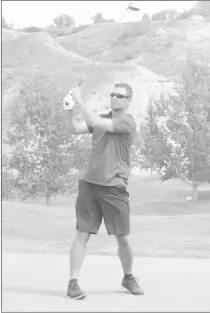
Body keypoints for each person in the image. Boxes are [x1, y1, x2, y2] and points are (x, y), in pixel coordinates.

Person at [63, 82, 144, 300]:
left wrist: (79, 99)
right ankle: (73, 283)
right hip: (90, 185)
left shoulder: (127, 122)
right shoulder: (100, 117)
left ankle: (128, 276)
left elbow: (97, 122)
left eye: (120, 95)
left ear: (128, 101)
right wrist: (69, 109)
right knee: (82, 234)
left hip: (114, 187)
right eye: (113, 94)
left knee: (123, 238)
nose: (115, 98)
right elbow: (73, 129)